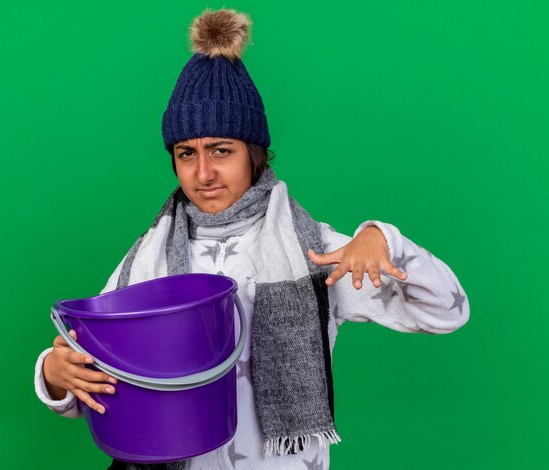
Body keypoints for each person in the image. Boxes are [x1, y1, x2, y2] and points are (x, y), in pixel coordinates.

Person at [34, 8, 470, 470]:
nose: (203, 173)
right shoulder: (148, 258)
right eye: (187, 154)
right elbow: (96, 381)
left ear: (253, 153)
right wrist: (53, 373)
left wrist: (385, 240)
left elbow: (448, 311)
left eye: (221, 150)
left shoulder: (316, 251)